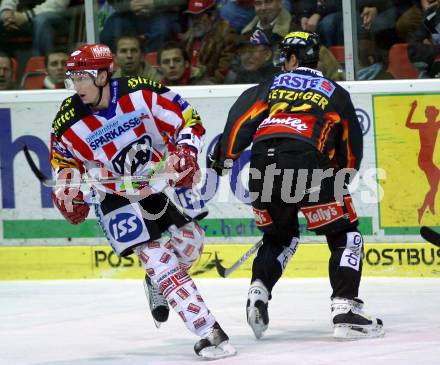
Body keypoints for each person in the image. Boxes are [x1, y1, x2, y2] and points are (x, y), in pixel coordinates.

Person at [49, 43, 236, 359]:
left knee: (191, 243)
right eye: (73, 78)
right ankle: (209, 332)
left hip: (159, 183)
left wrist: (186, 152)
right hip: (115, 197)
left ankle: (156, 283)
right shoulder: (66, 123)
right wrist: (69, 193)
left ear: (104, 75)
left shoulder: (141, 93)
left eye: (84, 77)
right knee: (160, 260)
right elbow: (65, 166)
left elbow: (188, 119)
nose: (77, 85)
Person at [208, 31, 384, 340]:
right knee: (345, 233)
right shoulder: (334, 92)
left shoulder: (270, 86)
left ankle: (258, 291)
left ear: (293, 59)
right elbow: (350, 146)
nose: (280, 65)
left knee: (279, 238)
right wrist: (342, 177)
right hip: (308, 160)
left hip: (263, 164)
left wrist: (226, 158)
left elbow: (240, 120)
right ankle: (346, 311)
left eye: (283, 58)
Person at [180, 0, 239, 83]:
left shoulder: (226, 34)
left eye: (198, 16)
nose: (194, 21)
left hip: (211, 85)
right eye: (191, 17)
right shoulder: (190, 35)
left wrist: (206, 83)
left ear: (212, 16)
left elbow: (224, 70)